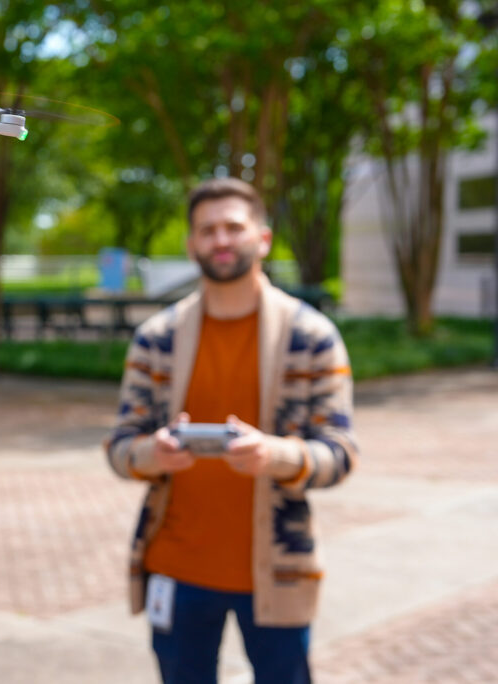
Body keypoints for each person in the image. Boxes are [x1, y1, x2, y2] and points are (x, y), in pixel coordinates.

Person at [104, 177, 358, 684]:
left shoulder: (312, 338)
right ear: (191, 244)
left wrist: (276, 456)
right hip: (175, 568)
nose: (221, 240)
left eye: (233, 228)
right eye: (207, 230)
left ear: (262, 238)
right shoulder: (157, 339)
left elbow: (341, 454)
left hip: (277, 571)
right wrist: (152, 453)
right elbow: (119, 448)